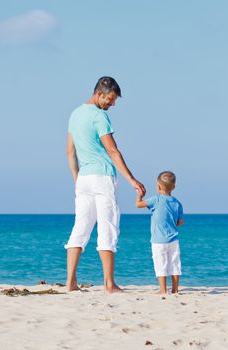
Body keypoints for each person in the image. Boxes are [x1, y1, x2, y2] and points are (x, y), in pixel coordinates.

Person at [65, 76, 145, 293]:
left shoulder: (75, 114)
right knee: (108, 227)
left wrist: (77, 179)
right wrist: (131, 179)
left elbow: (70, 152)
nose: (112, 104)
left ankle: (70, 282)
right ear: (99, 93)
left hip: (83, 179)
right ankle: (109, 284)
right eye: (110, 99)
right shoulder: (99, 117)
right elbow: (112, 151)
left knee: (80, 228)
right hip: (102, 177)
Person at [136, 171, 184, 294]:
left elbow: (138, 205)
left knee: (160, 264)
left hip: (158, 241)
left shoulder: (156, 200)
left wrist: (139, 196)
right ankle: (175, 289)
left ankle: (163, 290)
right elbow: (180, 222)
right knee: (174, 264)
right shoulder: (177, 203)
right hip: (173, 240)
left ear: (158, 186)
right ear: (173, 187)